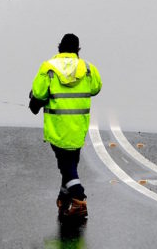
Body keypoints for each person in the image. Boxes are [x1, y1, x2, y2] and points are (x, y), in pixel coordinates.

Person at [29, 33, 102, 219]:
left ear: (59, 48)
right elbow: (96, 88)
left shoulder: (48, 68)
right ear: (78, 50)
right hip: (78, 127)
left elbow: (38, 94)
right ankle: (64, 197)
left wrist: (34, 104)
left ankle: (79, 197)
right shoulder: (87, 68)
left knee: (66, 166)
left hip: (58, 127)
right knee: (70, 165)